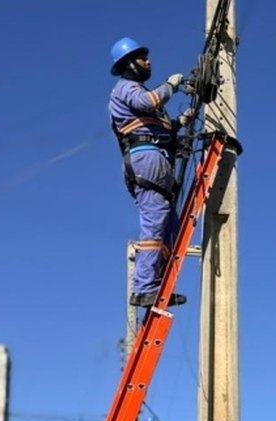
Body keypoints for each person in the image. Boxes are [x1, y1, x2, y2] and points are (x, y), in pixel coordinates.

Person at [108, 36, 195, 308]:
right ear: (129, 63)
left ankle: (159, 285)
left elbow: (160, 126)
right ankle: (145, 287)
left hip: (157, 159)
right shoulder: (125, 88)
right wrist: (172, 84)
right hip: (145, 159)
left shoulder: (138, 93)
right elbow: (149, 102)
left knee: (170, 227)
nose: (149, 62)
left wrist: (181, 122)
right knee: (155, 221)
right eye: (143, 58)